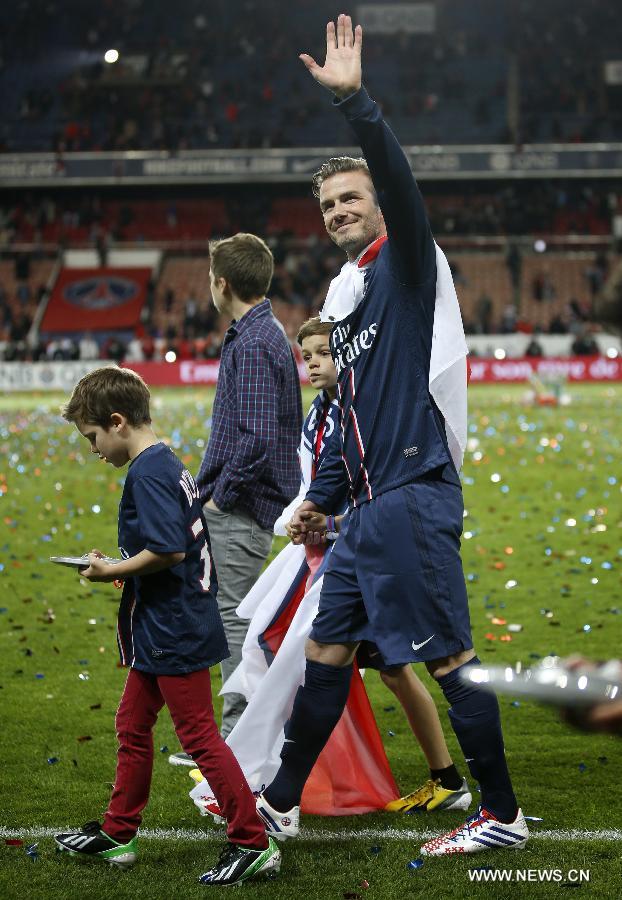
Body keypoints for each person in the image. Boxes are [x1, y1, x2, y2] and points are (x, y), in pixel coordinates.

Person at [252, 14, 528, 857]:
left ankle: (502, 816)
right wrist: (317, 501)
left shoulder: (406, 268)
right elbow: (351, 424)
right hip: (364, 515)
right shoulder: (346, 301)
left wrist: (358, 108)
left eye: (352, 198)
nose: (340, 210)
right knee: (328, 654)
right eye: (329, 203)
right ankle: (282, 801)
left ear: (378, 205)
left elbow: (404, 194)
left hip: (412, 499)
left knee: (447, 658)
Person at [188, 317, 470, 820]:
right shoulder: (320, 412)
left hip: (359, 555)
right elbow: (318, 485)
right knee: (384, 668)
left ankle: (257, 776)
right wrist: (307, 518)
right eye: (309, 354)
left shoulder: (363, 412)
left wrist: (328, 524)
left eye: (325, 353)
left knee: (287, 646)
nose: (315, 363)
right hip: (336, 551)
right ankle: (444, 779)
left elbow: (374, 493)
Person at [54, 367, 280, 886]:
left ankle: (253, 841)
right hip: (164, 624)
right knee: (132, 726)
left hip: (174, 628)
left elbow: (168, 549)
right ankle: (118, 833)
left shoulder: (147, 472)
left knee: (199, 737)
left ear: (117, 422)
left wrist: (114, 569)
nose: (93, 450)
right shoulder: (165, 462)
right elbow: (164, 549)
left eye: (93, 438)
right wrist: (123, 567)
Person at [169, 232, 301, 761]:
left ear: (222, 283)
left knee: (236, 619)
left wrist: (221, 497)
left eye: (209, 277)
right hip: (245, 501)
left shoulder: (251, 342)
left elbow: (257, 437)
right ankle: (234, 737)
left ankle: (239, 742)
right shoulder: (262, 332)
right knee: (232, 614)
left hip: (241, 506)